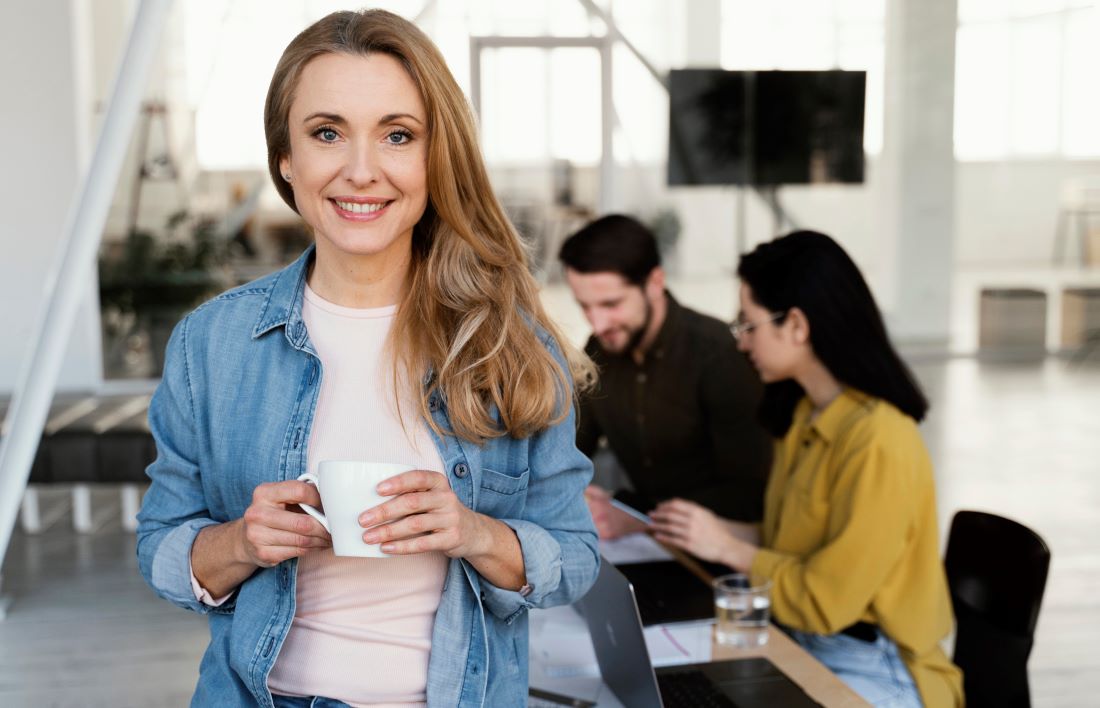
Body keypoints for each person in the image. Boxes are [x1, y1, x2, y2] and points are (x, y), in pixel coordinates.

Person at [135, 10, 599, 708]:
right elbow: (161, 550)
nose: (361, 171)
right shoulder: (213, 344)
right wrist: (242, 542)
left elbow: (577, 560)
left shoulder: (509, 344)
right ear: (285, 158)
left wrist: (474, 533)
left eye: (398, 135)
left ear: (433, 157)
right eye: (327, 133)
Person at [649, 231, 963, 707]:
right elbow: (791, 541)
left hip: (878, 665)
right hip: (805, 639)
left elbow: (825, 601)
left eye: (748, 324)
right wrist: (705, 532)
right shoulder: (803, 415)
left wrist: (728, 548)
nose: (741, 342)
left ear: (796, 325)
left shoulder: (879, 439)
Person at [558, 214, 771, 539]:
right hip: (641, 549)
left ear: (655, 283)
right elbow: (567, 451)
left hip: (722, 561)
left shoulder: (720, 355)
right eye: (585, 307)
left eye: (611, 304)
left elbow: (750, 495)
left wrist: (639, 516)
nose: (597, 324)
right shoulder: (598, 349)